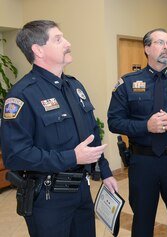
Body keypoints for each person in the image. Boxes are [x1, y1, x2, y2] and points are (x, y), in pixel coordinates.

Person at [0, 20, 118, 237]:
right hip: (47, 198)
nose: (67, 43)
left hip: (81, 190)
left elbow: (91, 132)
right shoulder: (22, 95)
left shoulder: (74, 86)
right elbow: (16, 155)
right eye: (58, 39)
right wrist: (71, 157)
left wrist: (106, 171)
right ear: (38, 50)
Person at [107, 28, 167, 237]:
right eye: (160, 43)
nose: (166, 48)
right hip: (143, 162)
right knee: (142, 220)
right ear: (147, 48)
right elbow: (114, 122)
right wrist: (145, 126)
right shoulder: (127, 83)